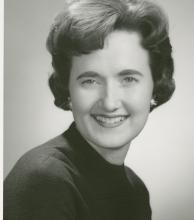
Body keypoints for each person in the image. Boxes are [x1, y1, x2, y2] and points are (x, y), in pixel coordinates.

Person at [4, 0, 175, 219]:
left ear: (155, 87)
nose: (110, 102)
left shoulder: (135, 190)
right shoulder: (46, 180)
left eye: (129, 78)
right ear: (68, 90)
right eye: (90, 81)